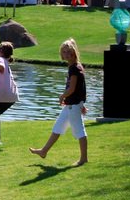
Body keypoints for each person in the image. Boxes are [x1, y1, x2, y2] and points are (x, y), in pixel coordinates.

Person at [29, 38, 89, 166]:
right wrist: (81, 103)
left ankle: (83, 158)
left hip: (73, 105)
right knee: (58, 127)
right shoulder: (76, 66)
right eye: (64, 52)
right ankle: (43, 151)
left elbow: (72, 88)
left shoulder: (74, 68)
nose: (66, 54)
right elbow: (81, 88)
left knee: (79, 131)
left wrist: (62, 96)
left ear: (74, 52)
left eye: (68, 52)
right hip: (72, 105)